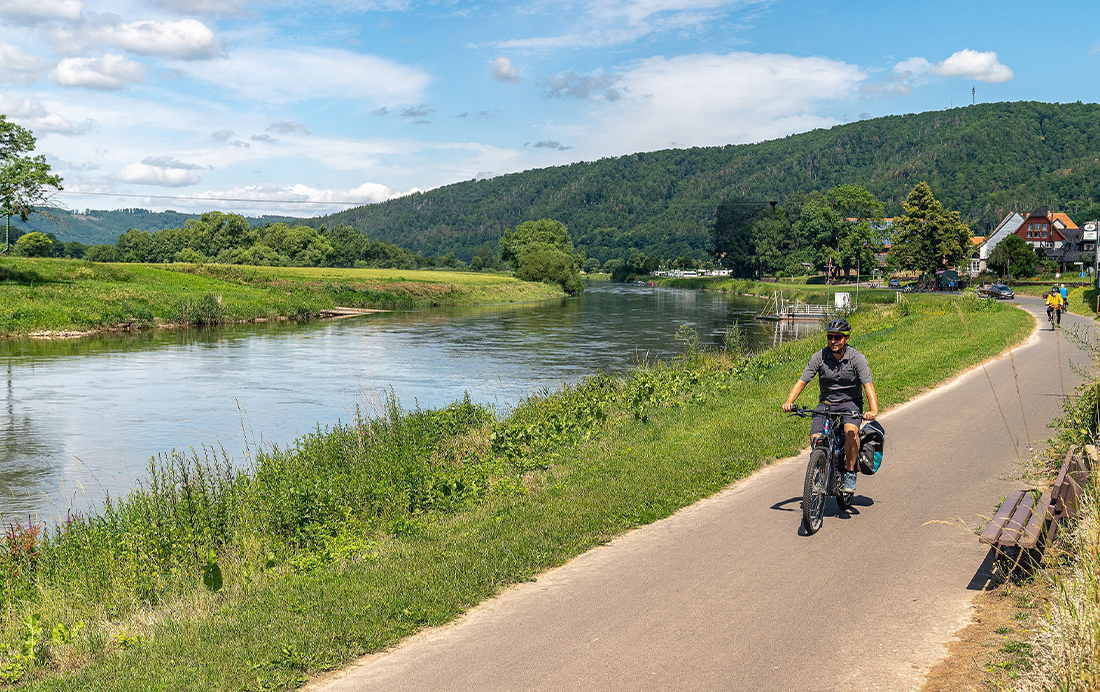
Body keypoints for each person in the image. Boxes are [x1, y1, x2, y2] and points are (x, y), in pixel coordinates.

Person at [782, 319, 879, 493]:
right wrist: (790, 401)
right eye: (830, 337)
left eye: (838, 337)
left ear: (846, 339)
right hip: (826, 405)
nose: (833, 340)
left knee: (851, 433)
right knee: (816, 439)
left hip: (851, 404)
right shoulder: (820, 356)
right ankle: (823, 472)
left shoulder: (857, 358)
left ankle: (850, 472)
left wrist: (873, 410)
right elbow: (802, 381)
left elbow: (868, 385)